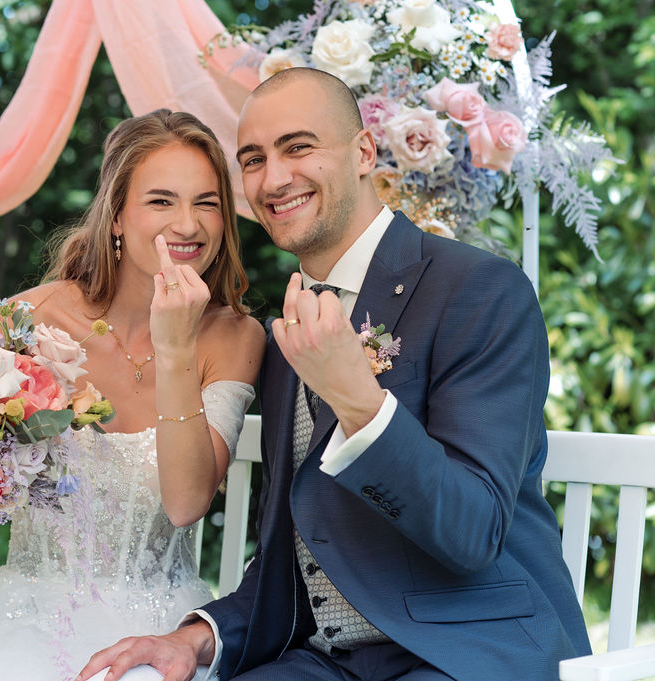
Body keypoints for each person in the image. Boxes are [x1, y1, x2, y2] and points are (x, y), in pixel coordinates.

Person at [77, 68, 591, 681]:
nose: (275, 178)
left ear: (364, 151)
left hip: (470, 654)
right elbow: (289, 568)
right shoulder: (284, 330)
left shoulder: (479, 291)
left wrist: (359, 401)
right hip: (329, 663)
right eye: (253, 160)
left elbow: (473, 532)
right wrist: (195, 638)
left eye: (299, 147)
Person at [0, 109, 265, 681]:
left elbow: (185, 503)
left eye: (207, 203)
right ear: (118, 216)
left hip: (158, 631)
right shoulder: (31, 319)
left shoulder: (233, 337)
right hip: (22, 617)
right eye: (161, 201)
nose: (188, 225)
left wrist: (175, 344)